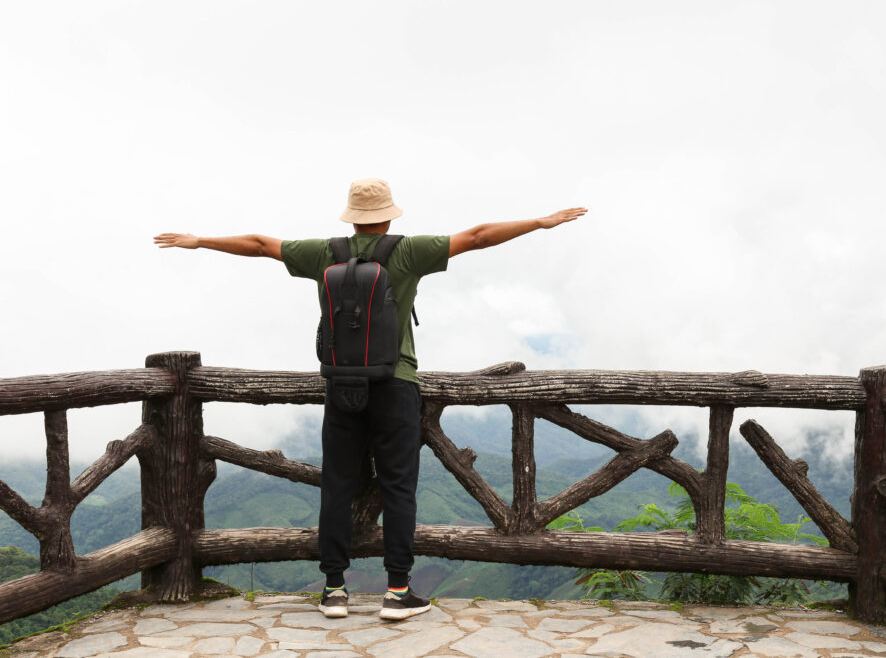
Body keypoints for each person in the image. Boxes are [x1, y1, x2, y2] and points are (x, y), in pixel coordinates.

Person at [154, 177, 586, 620]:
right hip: (396, 383)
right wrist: (539, 222)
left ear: (351, 216)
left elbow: (262, 243)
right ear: (388, 215)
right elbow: (477, 236)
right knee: (398, 486)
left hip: (341, 385)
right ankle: (398, 591)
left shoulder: (325, 253)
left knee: (338, 483)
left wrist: (199, 240)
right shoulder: (408, 251)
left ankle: (334, 590)